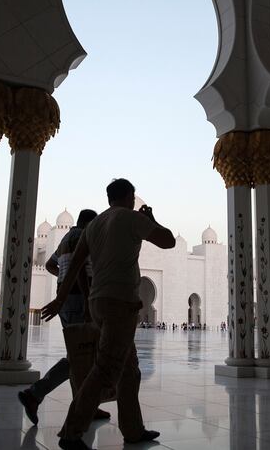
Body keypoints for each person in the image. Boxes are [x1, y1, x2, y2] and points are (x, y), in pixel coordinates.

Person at [41, 179, 175, 450]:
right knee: (105, 369)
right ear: (130, 197)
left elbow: (75, 263)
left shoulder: (94, 225)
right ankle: (71, 432)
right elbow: (168, 241)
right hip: (119, 304)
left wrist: (59, 299)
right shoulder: (129, 218)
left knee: (130, 371)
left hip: (98, 302)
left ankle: (133, 430)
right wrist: (151, 219)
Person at [18, 209, 111, 425]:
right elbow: (79, 269)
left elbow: (51, 265)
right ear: (90, 223)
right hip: (80, 299)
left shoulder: (65, 240)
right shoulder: (82, 236)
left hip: (67, 299)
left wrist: (62, 277)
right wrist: (88, 299)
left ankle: (87, 405)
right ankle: (35, 393)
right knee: (81, 356)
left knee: (81, 354)